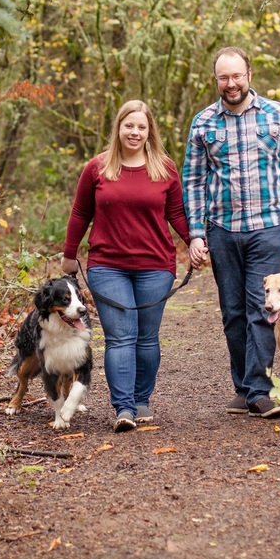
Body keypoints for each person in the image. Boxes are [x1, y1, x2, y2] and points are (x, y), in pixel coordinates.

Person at [182, 46, 280, 419]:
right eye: (224, 77)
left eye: (237, 75)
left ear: (249, 74)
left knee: (262, 309)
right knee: (233, 312)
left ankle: (259, 389)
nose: (231, 83)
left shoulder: (277, 114)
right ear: (216, 80)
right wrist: (195, 233)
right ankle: (244, 387)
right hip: (221, 230)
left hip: (266, 228)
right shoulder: (203, 122)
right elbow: (193, 181)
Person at [61, 100, 194, 432]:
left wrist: (195, 241)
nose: (135, 132)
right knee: (121, 337)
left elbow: (177, 213)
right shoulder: (98, 168)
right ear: (118, 129)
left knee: (147, 338)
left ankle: (141, 399)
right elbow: (80, 213)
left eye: (141, 127)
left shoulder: (164, 168)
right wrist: (69, 253)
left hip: (156, 265)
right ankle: (123, 408)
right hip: (107, 266)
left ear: (150, 132)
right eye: (129, 126)